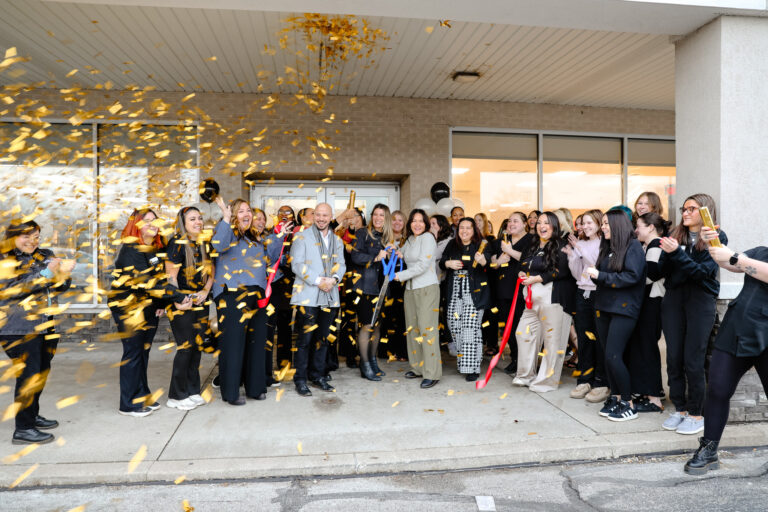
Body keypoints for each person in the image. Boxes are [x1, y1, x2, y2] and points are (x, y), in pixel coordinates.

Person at [684, 227, 768, 475]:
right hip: (737, 328)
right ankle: (709, 450)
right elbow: (730, 262)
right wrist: (713, 243)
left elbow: (738, 261)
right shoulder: (761, 252)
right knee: (718, 389)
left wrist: (734, 258)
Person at [658, 193, 726, 435]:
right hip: (673, 300)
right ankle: (681, 408)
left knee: (693, 359)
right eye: (684, 209)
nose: (685, 213)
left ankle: (697, 413)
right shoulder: (676, 236)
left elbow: (702, 273)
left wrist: (677, 254)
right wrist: (669, 254)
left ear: (705, 211)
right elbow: (662, 272)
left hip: (700, 302)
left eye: (691, 209)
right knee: (674, 357)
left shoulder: (716, 236)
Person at [0, 219, 74, 444]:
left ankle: (31, 415)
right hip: (19, 327)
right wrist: (47, 274)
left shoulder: (44, 255)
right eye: (26, 236)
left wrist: (63, 275)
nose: (32, 241)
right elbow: (12, 290)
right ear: (13, 237)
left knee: (40, 373)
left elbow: (58, 287)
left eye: (36, 237)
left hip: (46, 324)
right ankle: (23, 429)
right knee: (28, 376)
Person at [211, 197, 282, 406]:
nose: (246, 214)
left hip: (257, 295)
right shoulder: (226, 231)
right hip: (232, 294)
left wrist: (280, 236)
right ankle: (231, 392)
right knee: (233, 345)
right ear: (233, 215)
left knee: (257, 342)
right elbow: (218, 245)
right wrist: (225, 219)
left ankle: (255, 388)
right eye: (241, 211)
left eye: (248, 210)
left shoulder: (256, 237)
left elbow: (272, 258)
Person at [587, 210, 646, 421]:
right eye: (602, 223)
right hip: (604, 307)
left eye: (606, 223)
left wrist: (601, 275)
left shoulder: (633, 247)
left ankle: (628, 403)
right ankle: (616, 396)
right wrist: (595, 275)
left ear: (617, 224)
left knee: (614, 355)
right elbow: (604, 276)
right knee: (608, 356)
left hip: (624, 309)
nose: (602, 227)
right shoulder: (608, 247)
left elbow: (631, 277)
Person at [109, 208, 167, 417]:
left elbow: (159, 279)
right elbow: (147, 282)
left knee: (143, 351)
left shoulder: (155, 248)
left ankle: (141, 395)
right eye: (146, 221)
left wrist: (160, 302)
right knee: (133, 353)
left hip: (148, 307)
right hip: (129, 307)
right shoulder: (131, 249)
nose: (152, 224)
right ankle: (128, 404)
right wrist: (178, 297)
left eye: (154, 220)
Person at [513, 212, 574, 392]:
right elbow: (522, 264)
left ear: (554, 225)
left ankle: (547, 381)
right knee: (523, 333)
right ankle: (525, 375)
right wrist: (522, 273)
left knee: (552, 342)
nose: (542, 226)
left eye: (546, 223)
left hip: (552, 298)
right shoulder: (532, 244)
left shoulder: (562, 245)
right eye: (539, 223)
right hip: (531, 300)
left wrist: (537, 278)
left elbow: (562, 270)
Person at [290, 202, 346, 396]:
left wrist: (334, 279)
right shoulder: (301, 236)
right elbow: (297, 264)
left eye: (325, 215)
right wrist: (318, 281)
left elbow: (341, 264)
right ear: (314, 216)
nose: (321, 219)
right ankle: (300, 379)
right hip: (308, 296)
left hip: (330, 294)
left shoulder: (337, 240)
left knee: (322, 339)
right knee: (305, 340)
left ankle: (317, 375)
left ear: (331, 217)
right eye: (318, 215)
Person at [165, 206, 214, 411]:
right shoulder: (176, 243)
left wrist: (205, 291)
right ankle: (176, 396)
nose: (198, 222)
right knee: (185, 348)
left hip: (200, 302)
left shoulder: (204, 243)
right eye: (192, 219)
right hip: (181, 303)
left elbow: (211, 272)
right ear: (183, 223)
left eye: (199, 218)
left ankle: (192, 391)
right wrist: (178, 300)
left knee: (196, 347)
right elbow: (171, 277)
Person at [563, 209, 609, 402]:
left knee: (599, 339)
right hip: (582, 292)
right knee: (583, 338)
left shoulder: (605, 243)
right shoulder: (580, 243)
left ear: (599, 223)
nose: (585, 226)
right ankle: (585, 379)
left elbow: (596, 268)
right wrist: (572, 256)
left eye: (590, 223)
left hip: (599, 293)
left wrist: (580, 251)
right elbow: (578, 274)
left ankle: (601, 382)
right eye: (583, 223)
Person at [439, 217, 492, 381]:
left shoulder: (482, 244)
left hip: (474, 291)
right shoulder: (452, 244)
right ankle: (465, 362)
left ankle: (472, 368)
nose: (464, 231)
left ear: (474, 230)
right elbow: (442, 262)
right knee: (454, 325)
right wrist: (448, 264)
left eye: (468, 228)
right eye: (462, 227)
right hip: (455, 290)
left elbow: (489, 264)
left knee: (470, 328)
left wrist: (483, 261)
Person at [395, 209, 442, 388]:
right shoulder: (410, 240)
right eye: (414, 221)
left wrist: (400, 276)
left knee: (427, 330)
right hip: (410, 289)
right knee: (413, 329)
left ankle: (432, 372)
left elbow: (422, 265)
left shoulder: (428, 238)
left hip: (427, 288)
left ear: (426, 224)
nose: (417, 224)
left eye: (421, 221)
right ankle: (418, 367)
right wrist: (393, 251)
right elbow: (401, 253)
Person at [629, 212, 669, 413]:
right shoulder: (649, 245)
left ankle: (654, 398)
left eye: (639, 226)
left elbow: (651, 274)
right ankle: (650, 393)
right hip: (650, 302)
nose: (636, 230)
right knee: (645, 347)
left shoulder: (655, 245)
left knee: (648, 348)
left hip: (652, 303)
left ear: (651, 227)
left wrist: (628, 279)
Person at [351, 203, 395, 381]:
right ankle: (364, 364)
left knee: (377, 326)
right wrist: (375, 257)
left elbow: (390, 266)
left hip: (382, 289)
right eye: (375, 214)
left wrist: (394, 255)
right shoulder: (362, 233)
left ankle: (372, 360)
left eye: (382, 215)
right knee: (367, 326)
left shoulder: (388, 238)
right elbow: (355, 256)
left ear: (387, 219)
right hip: (365, 288)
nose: (378, 218)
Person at [490, 212, 533, 374]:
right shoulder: (501, 241)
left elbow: (530, 260)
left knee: (521, 327)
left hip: (523, 291)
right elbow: (492, 264)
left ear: (524, 224)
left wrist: (510, 251)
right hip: (503, 290)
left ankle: (525, 360)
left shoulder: (531, 240)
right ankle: (515, 358)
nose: (511, 224)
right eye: (509, 221)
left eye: (516, 221)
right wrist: (499, 261)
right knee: (508, 328)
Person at [267, 205, 297, 377]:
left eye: (288, 212)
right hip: (272, 286)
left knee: (285, 327)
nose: (284, 215)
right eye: (281, 212)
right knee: (269, 326)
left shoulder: (298, 233)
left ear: (293, 216)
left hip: (290, 285)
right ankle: (265, 367)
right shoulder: (270, 233)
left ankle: (285, 364)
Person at [337, 208, 365, 368]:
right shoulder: (341, 235)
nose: (352, 219)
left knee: (363, 320)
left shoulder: (367, 234)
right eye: (349, 216)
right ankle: (349, 354)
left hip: (365, 282)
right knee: (348, 319)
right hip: (347, 282)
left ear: (362, 218)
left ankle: (364, 353)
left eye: (356, 216)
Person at [384, 210, 408, 361]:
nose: (397, 222)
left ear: (404, 223)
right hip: (387, 284)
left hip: (403, 283)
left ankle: (402, 351)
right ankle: (386, 351)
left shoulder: (409, 240)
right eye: (394, 219)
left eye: (400, 220)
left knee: (402, 318)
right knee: (387, 317)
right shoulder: (384, 239)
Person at [475, 212, 499, 357]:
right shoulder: (472, 239)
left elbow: (494, 262)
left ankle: (492, 343)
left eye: (479, 220)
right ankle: (482, 341)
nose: (477, 222)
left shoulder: (491, 240)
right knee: (481, 313)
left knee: (491, 313)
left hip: (490, 280)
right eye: (475, 220)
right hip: (477, 280)